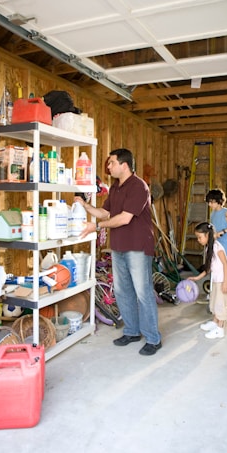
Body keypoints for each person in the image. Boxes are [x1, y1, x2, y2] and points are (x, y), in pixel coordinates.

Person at [75, 148, 162, 356]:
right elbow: (106, 212)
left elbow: (124, 218)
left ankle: (153, 338)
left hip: (138, 246)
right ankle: (132, 332)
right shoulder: (115, 188)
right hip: (119, 246)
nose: (108, 166)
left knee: (143, 292)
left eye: (111, 163)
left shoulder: (138, 186)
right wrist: (85, 206)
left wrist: (96, 227)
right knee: (123, 291)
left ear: (124, 165)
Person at [187, 222, 227, 339]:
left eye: (199, 237)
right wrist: (196, 278)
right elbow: (208, 268)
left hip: (223, 280)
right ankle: (215, 322)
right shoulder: (209, 248)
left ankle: (220, 329)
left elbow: (226, 264)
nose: (198, 240)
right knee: (215, 302)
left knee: (221, 304)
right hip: (216, 280)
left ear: (207, 235)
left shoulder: (217, 247)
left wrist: (226, 282)